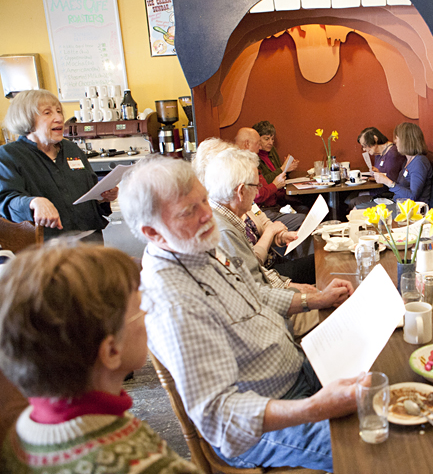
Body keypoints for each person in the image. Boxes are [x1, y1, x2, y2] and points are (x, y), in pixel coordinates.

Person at [118, 156, 359, 472]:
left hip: (295, 373)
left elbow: (256, 294)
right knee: (376, 442)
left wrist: (314, 300)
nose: (208, 214)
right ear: (153, 232)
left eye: (204, 200)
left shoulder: (197, 246)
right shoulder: (173, 301)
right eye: (189, 211)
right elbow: (219, 415)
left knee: (386, 376)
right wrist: (313, 408)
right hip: (259, 429)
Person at [0, 243, 199, 473]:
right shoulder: (151, 467)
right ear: (111, 351)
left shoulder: (20, 433)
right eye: (140, 308)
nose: (147, 313)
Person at [0, 90, 117, 241]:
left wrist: (103, 197)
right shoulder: (8, 155)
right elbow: (6, 202)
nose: (59, 118)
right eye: (47, 113)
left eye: (59, 111)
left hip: (90, 238)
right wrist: (33, 202)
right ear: (26, 119)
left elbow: (90, 189)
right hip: (48, 246)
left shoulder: (71, 149)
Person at [204, 146, 317, 287]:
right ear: (241, 191)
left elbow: (264, 224)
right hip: (270, 276)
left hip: (272, 268)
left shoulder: (234, 209)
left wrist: (280, 236)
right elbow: (256, 276)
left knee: (320, 261)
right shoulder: (223, 229)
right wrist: (300, 293)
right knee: (321, 265)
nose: (257, 192)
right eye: (256, 186)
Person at [235, 127, 306, 232]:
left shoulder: (252, 160)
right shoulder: (242, 165)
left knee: (304, 210)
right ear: (247, 144)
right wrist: (275, 185)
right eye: (258, 143)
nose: (260, 147)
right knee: (304, 219)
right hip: (260, 211)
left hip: (267, 208)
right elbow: (257, 197)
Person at [374, 122, 432, 204]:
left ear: (406, 141)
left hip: (411, 209)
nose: (395, 141)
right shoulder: (408, 160)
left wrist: (388, 182)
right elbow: (401, 186)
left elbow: (412, 196)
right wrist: (383, 176)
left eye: (397, 138)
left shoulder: (419, 162)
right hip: (398, 203)